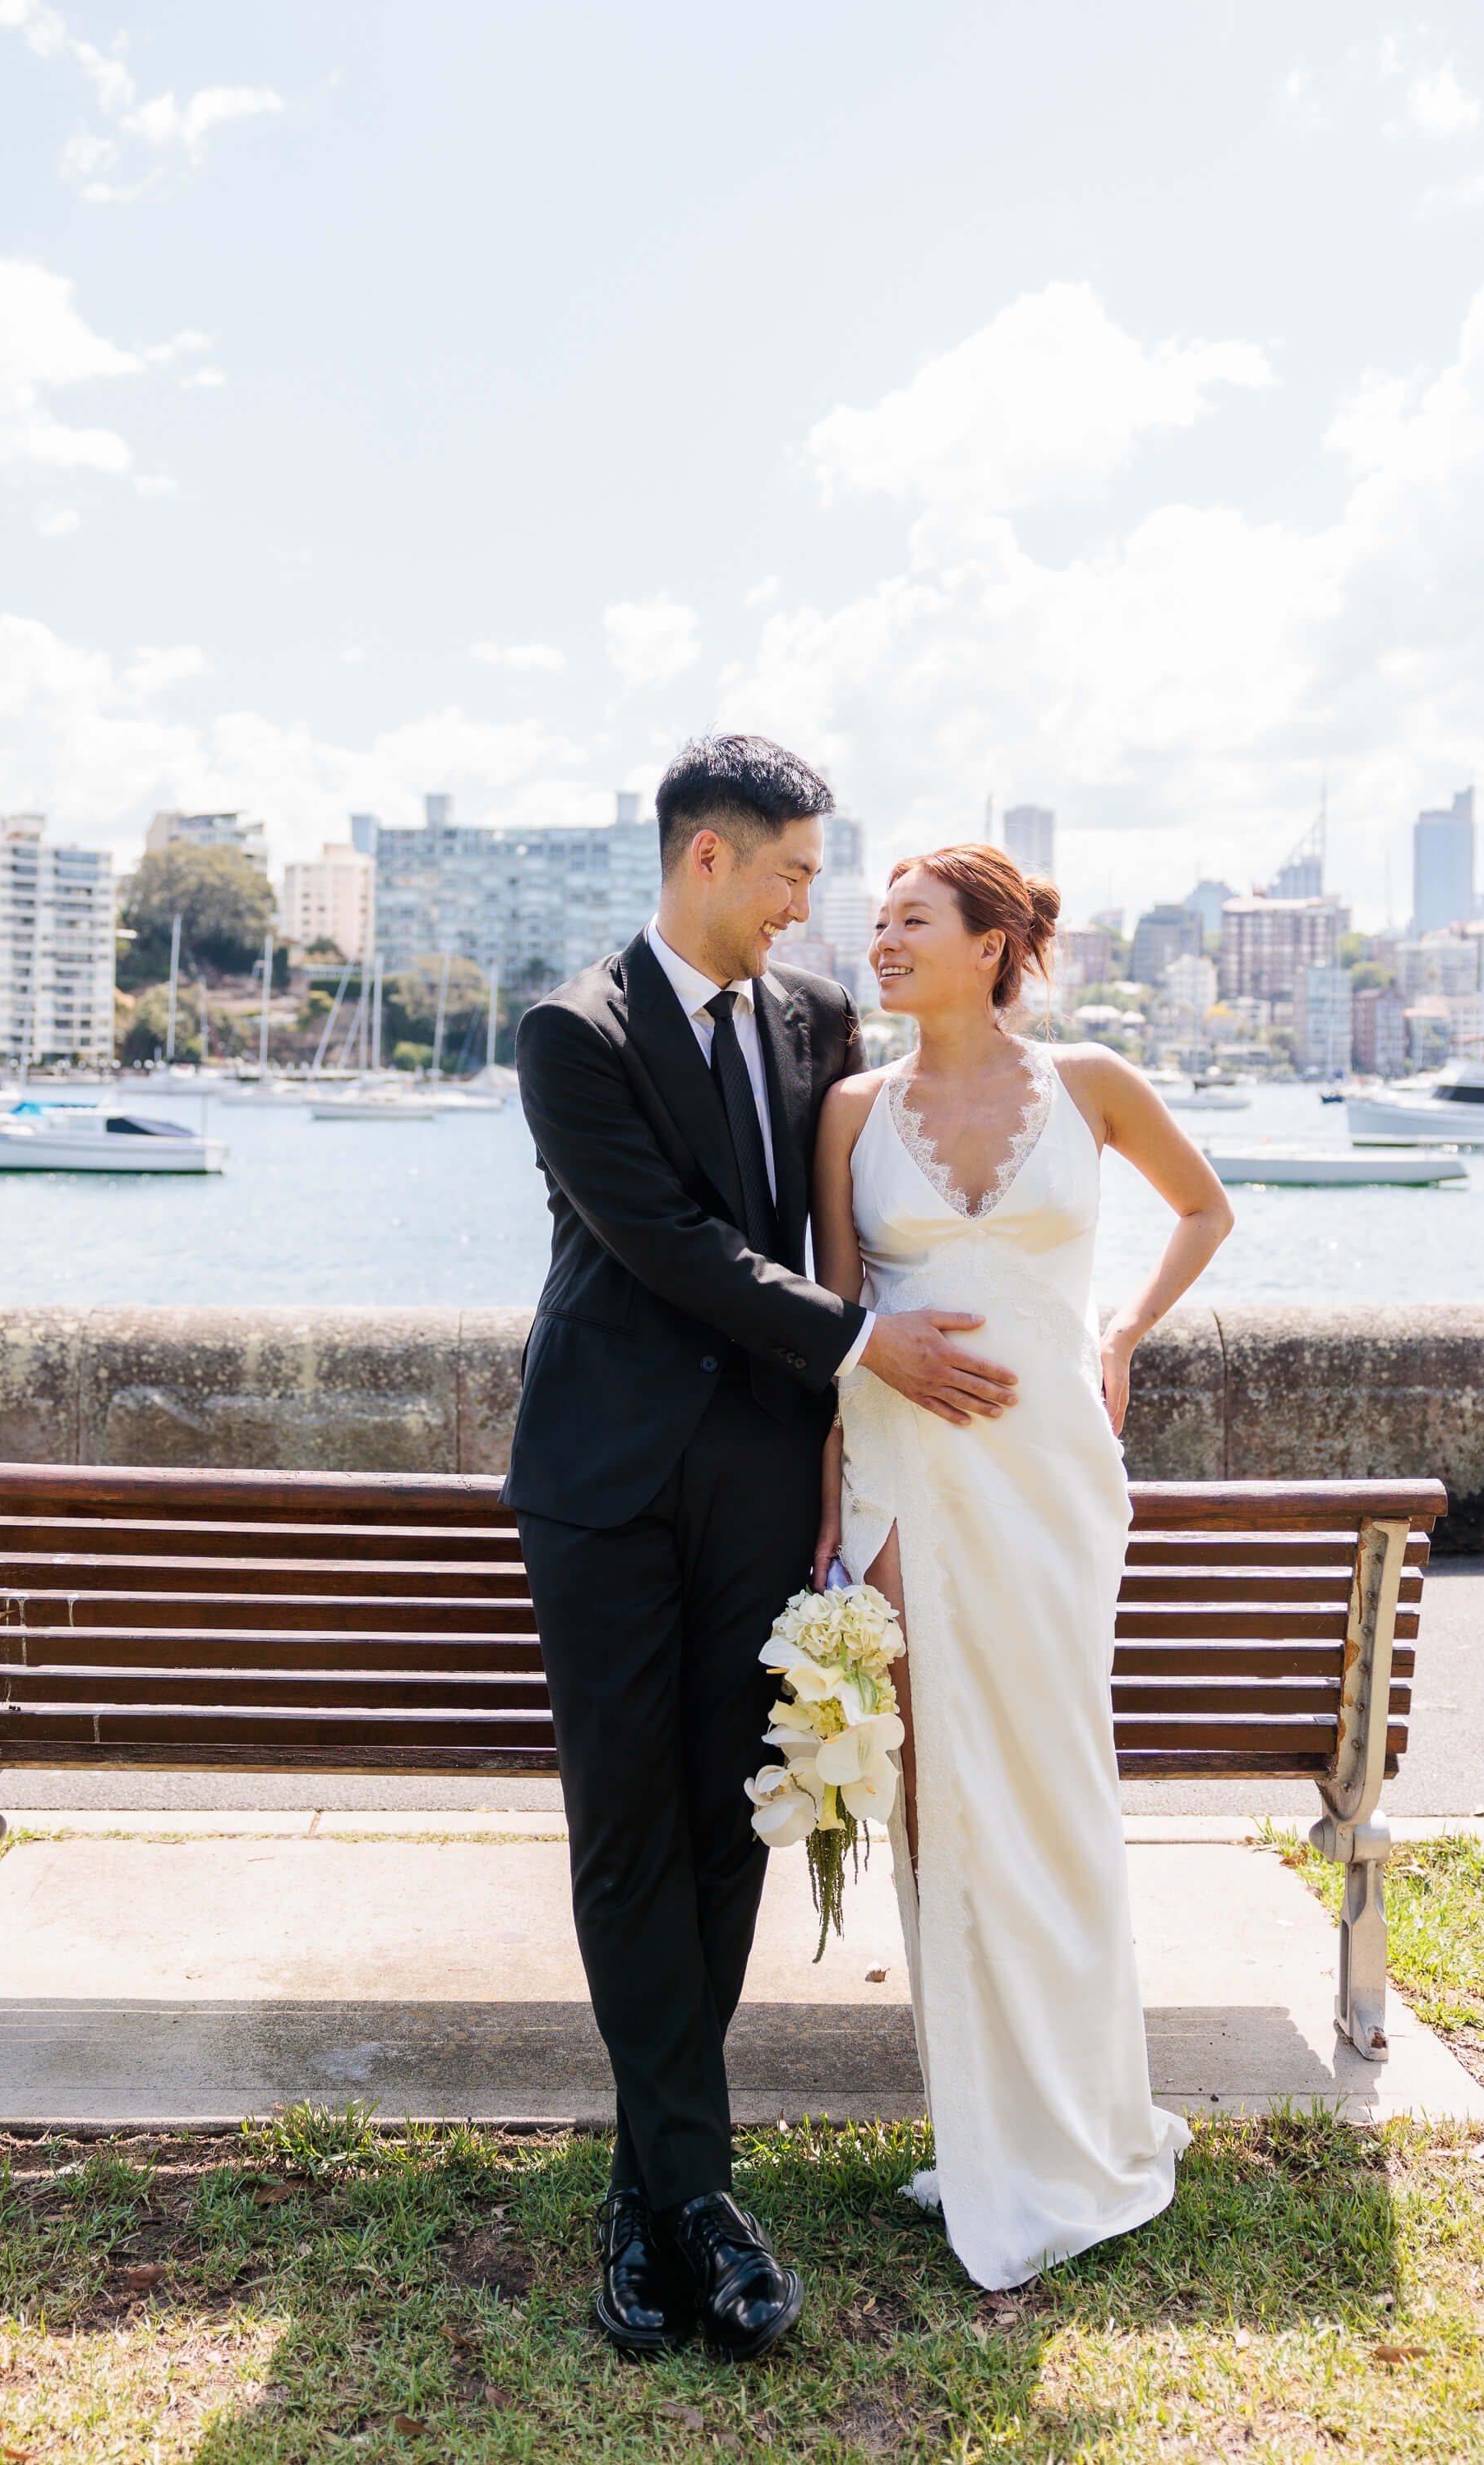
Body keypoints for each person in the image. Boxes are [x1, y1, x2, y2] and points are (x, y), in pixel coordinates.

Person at [504, 738, 1017, 2358]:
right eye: (793, 873)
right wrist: (867, 1348)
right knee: (625, 1820)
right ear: (706, 860)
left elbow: (858, 1194)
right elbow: (666, 1243)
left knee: (731, 1813)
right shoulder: (568, 1032)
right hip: (600, 1479)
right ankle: (686, 2198)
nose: (814, 908)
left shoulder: (811, 1024)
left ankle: (658, 2188)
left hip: (755, 1475)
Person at [809, 844, 1234, 2292]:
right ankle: (984, 2135)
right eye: (872, 922)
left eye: (908, 921)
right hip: (902, 1485)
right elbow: (836, 1324)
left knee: (1053, 1792)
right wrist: (827, 1524)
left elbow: (1204, 1209)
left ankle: (1086, 2124)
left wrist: (1114, 1337)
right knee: (940, 1802)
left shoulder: (1096, 1082)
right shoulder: (851, 1111)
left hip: (1051, 1480)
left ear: (990, 944)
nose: (879, 942)